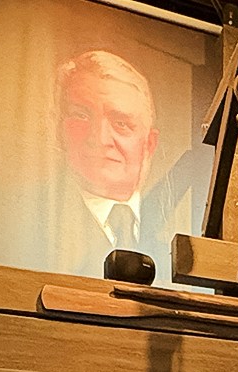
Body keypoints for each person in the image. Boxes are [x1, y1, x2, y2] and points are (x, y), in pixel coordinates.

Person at [46, 50, 178, 279]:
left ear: (149, 144)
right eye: (81, 116)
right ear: (59, 129)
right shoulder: (33, 217)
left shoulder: (175, 233)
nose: (100, 139)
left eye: (121, 123)